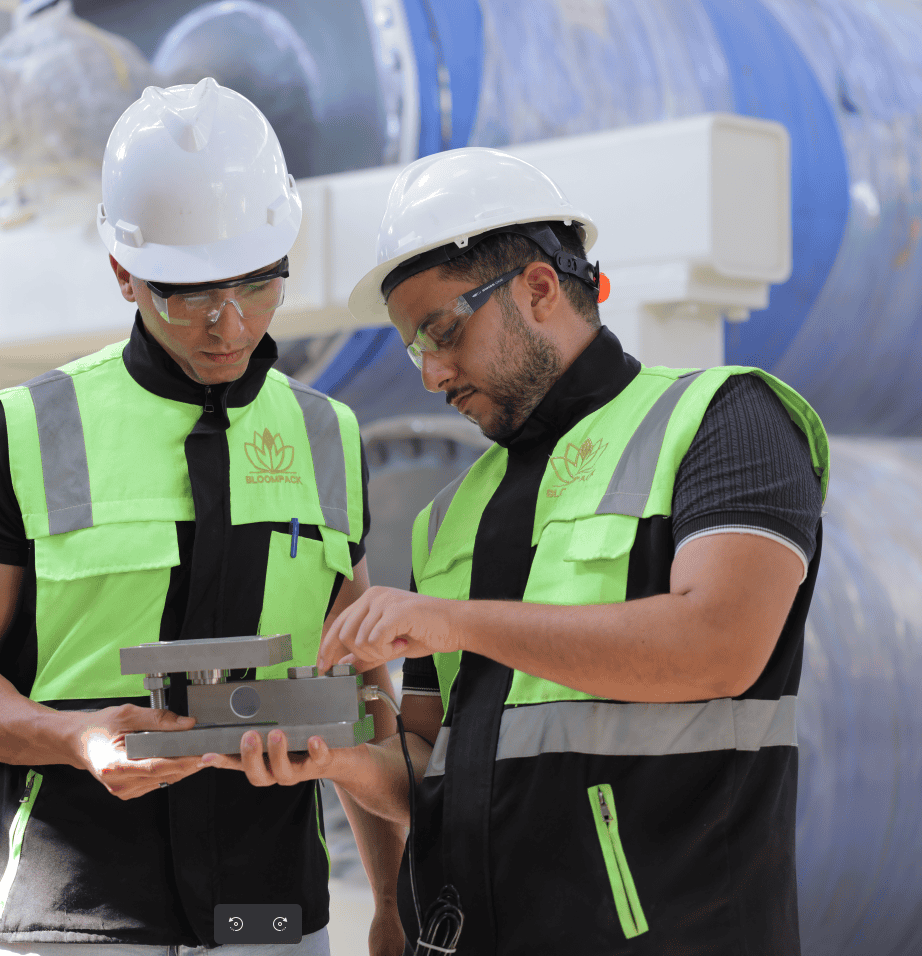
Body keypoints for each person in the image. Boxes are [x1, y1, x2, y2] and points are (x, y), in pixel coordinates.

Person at [205, 147, 829, 955]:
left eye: (442, 331)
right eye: (413, 348)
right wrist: (333, 759)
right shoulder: (449, 516)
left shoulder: (723, 420)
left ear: (537, 288)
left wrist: (454, 620)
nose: (431, 374)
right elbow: (429, 766)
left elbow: (719, 646)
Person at [0, 79, 406, 956]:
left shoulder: (327, 437)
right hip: (78, 915)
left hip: (269, 913)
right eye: (188, 295)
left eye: (257, 286)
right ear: (124, 274)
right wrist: (72, 738)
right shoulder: (22, 433)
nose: (228, 325)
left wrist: (392, 897)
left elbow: (361, 688)